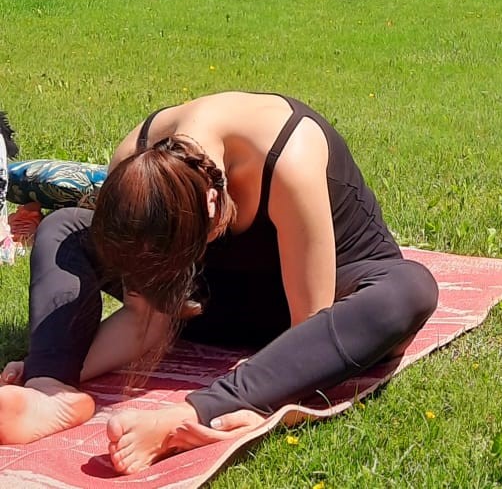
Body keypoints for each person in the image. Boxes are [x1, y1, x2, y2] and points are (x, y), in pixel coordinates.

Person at [0, 91, 438, 475]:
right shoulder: (134, 160)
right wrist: (61, 361)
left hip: (315, 308)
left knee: (408, 288)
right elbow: (146, 320)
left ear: (211, 202)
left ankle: (196, 413)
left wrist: (255, 402)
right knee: (65, 229)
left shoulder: (290, 155)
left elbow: (308, 326)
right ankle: (48, 390)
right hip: (210, 305)